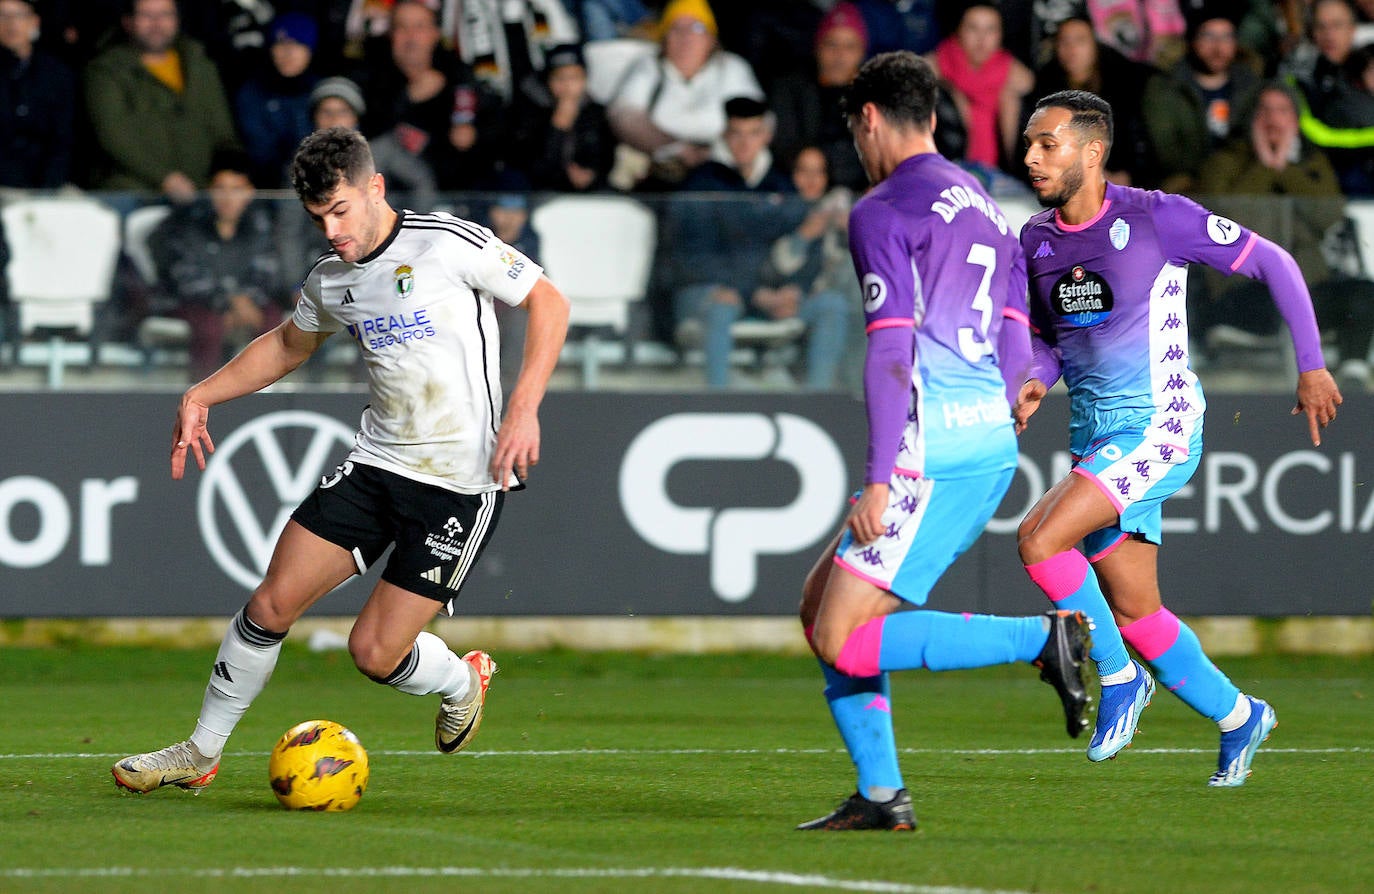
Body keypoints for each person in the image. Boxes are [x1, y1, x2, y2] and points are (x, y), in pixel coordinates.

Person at [110, 126, 571, 795]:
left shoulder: (446, 244)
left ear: (375, 188)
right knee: (270, 603)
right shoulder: (333, 280)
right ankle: (199, 752)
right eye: (318, 218)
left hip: (459, 484)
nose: (332, 230)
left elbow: (548, 302)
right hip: (376, 464)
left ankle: (462, 679)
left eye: (341, 211)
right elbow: (289, 345)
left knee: (373, 653)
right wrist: (201, 394)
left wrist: (524, 408)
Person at [795, 51, 1093, 832]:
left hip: (927, 455)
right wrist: (1007, 396)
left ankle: (1042, 638)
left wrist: (879, 476)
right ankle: (882, 795)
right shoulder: (983, 202)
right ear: (930, 114)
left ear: (867, 120)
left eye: (855, 133)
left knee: (840, 636)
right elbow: (1015, 325)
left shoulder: (883, 210)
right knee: (818, 609)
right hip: (985, 441)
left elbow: (892, 350)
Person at [1015, 89, 1341, 786]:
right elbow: (1052, 341)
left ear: (1092, 152)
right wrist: (1037, 379)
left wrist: (1311, 366)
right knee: (1135, 611)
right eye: (1030, 143)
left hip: (1158, 426)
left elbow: (1276, 263)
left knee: (1039, 540)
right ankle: (1239, 716)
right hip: (1095, 435)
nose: (1031, 157)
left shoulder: (1159, 218)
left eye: (1048, 144)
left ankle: (1119, 680)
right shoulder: (1036, 240)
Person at [1194, 81, 1374, 389]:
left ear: (1296, 119)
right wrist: (1265, 166)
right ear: (1251, 117)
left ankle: (1352, 370)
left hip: (1308, 287)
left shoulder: (1312, 162)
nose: (1274, 119)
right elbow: (1227, 219)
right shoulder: (1226, 160)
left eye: (1283, 110)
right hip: (1245, 291)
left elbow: (1328, 215)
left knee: (1362, 291)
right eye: (1265, 110)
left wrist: (1286, 169)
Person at [665, 96, 805, 388]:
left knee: (831, 306)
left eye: (753, 133)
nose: (744, 143)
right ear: (725, 135)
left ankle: (822, 404)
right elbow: (689, 255)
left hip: (765, 294)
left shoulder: (782, 186)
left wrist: (795, 289)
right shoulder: (700, 184)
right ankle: (719, 401)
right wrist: (753, 291)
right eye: (736, 133)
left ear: (766, 135)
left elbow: (800, 241)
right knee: (721, 309)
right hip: (706, 290)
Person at [149, 150, 289, 381]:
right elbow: (183, 276)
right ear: (209, 191)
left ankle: (264, 394)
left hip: (246, 303)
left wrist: (247, 299)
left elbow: (268, 271)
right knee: (210, 325)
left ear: (250, 193)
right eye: (221, 189)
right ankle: (202, 398)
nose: (227, 198)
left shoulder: (261, 225)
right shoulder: (186, 224)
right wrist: (229, 301)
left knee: (273, 320)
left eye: (236, 190)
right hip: (192, 303)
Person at [84, 0, 241, 201]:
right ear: (128, 22)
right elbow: (112, 134)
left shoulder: (199, 63)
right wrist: (164, 178)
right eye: (146, 15)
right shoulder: (106, 70)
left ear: (176, 20)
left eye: (165, 14)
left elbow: (222, 130)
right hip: (133, 193)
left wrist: (228, 172)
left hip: (199, 194)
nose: (157, 23)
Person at [606, 0, 764, 189]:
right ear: (664, 38)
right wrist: (676, 148)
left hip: (724, 173)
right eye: (676, 28)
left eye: (696, 27)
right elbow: (623, 115)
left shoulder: (731, 68)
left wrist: (720, 152)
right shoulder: (648, 67)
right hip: (657, 173)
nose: (686, 37)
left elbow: (759, 121)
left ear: (711, 38)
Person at [1142, 10, 1262, 193]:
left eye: (1226, 37)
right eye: (1209, 36)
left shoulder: (1250, 85)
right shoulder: (1165, 88)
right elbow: (1167, 153)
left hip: (1241, 180)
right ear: (1193, 41)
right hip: (1189, 182)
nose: (1218, 47)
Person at [770, 2, 871, 193]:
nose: (839, 55)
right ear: (818, 47)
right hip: (800, 195)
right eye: (831, 44)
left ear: (862, 52)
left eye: (849, 47)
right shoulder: (791, 89)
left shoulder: (874, 95)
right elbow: (785, 146)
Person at [925, 3, 1034, 175]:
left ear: (1000, 35)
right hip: (946, 172)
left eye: (990, 30)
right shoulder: (936, 64)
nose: (981, 38)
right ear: (958, 31)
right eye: (973, 28)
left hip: (1001, 175)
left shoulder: (1015, 74)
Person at [508, 42, 617, 192]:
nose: (567, 85)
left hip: (593, 189)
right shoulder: (529, 112)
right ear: (548, 81)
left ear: (585, 79)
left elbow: (608, 157)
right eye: (559, 78)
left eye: (574, 78)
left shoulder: (598, 112)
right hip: (544, 189)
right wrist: (557, 129)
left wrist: (591, 174)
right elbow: (529, 165)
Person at [234, 12, 320, 189]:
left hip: (317, 186)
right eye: (281, 43)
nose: (288, 52)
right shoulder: (253, 92)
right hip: (265, 190)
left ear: (310, 50)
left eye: (297, 44)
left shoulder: (324, 92)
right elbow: (259, 153)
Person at [0, 0, 76, 188]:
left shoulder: (57, 73)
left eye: (19, 16)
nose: (11, 24)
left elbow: (64, 138)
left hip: (47, 183)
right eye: (2, 16)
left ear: (34, 22)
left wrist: (48, 187)